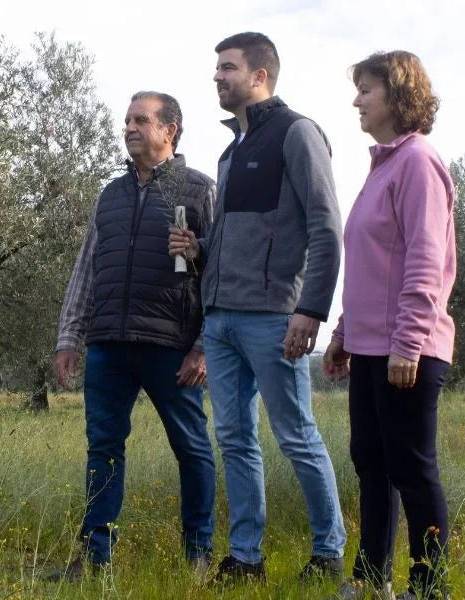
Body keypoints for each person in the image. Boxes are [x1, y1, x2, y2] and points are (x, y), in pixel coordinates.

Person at [168, 32, 346, 583]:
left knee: (296, 436)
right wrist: (201, 250)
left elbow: (326, 228)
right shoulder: (229, 152)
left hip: (275, 317)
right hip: (220, 319)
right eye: (216, 68)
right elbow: (228, 237)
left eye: (227, 68)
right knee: (235, 440)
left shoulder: (297, 133)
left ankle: (328, 552)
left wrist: (310, 310)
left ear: (259, 75)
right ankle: (246, 559)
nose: (217, 77)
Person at [51, 91, 217, 580]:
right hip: (108, 343)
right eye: (126, 121)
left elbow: (220, 274)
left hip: (172, 347)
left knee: (192, 447)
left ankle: (198, 555)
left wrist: (204, 345)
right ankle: (95, 559)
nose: (129, 128)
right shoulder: (111, 195)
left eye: (141, 120)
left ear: (170, 130)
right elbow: (86, 269)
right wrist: (68, 337)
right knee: (103, 448)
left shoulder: (200, 190)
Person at [323, 51, 456, 600]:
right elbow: (373, 268)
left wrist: (408, 342)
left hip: (410, 348)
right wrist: (342, 335)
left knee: (412, 468)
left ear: (398, 97)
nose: (356, 100)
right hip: (372, 347)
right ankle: (370, 581)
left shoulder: (419, 161)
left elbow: (426, 260)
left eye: (366, 90)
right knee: (372, 465)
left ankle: (428, 589)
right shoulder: (382, 167)